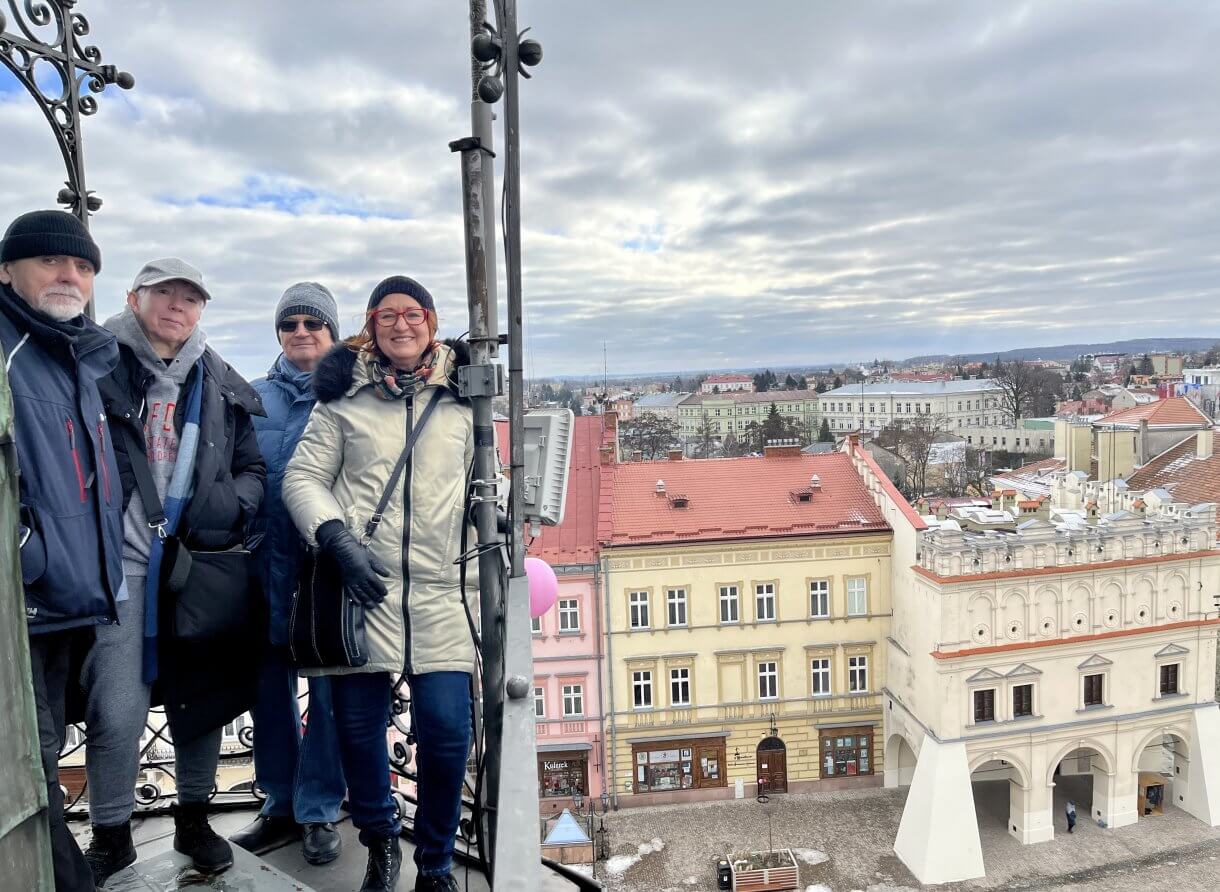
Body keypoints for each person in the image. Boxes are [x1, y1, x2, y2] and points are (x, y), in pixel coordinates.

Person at [283, 276, 477, 892]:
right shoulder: (342, 400)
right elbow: (302, 478)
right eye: (386, 315)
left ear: (431, 321)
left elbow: (487, 487)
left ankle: (436, 862)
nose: (400, 325)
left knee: (448, 732)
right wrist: (335, 539)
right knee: (359, 731)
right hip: (362, 588)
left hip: (441, 590)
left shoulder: (464, 400)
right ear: (370, 325)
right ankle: (380, 842)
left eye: (412, 313)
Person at [83, 259, 266, 885]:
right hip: (120, 565)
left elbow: (252, 468)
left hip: (193, 566)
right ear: (134, 298)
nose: (177, 307)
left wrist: (228, 508)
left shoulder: (216, 380)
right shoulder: (96, 364)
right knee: (117, 705)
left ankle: (194, 817)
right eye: (164, 293)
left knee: (201, 698)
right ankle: (111, 833)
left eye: (190, 298)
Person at [0, 210, 125, 892]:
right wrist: (29, 556)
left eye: (82, 266)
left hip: (64, 600)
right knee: (28, 765)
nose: (69, 276)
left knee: (40, 761)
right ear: (6, 270)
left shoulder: (71, 356)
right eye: (50, 260)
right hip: (23, 599)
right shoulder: (12, 350)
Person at [229, 283, 346, 865]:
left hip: (326, 573)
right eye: (290, 323)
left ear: (332, 331)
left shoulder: (352, 394)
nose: (301, 332)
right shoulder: (251, 397)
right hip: (262, 568)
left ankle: (320, 807)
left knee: (328, 697)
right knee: (268, 694)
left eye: (313, 322)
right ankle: (278, 802)